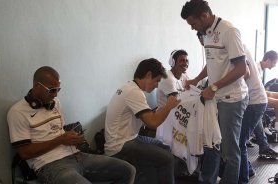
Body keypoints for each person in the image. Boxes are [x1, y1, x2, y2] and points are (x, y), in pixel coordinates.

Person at [7, 66, 135, 184]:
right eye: (52, 90)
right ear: (37, 86)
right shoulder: (18, 112)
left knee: (128, 170)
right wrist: (60, 140)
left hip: (76, 156)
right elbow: (24, 153)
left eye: (58, 90)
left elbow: (58, 133)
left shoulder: (55, 103)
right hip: (50, 165)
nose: (55, 95)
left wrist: (74, 140)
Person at [181, 1, 249, 184]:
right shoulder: (206, 34)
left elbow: (242, 69)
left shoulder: (229, 31)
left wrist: (213, 87)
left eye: (193, 24)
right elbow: (212, 63)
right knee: (212, 144)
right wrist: (196, 80)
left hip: (231, 99)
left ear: (204, 16)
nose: (192, 28)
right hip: (215, 98)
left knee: (229, 150)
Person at [104, 58, 180, 184]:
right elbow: (153, 123)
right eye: (157, 81)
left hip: (129, 138)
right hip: (120, 146)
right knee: (168, 159)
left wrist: (164, 109)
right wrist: (168, 106)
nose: (157, 85)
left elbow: (149, 118)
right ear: (148, 75)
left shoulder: (130, 87)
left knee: (164, 147)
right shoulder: (134, 92)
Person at [156, 49, 221, 184]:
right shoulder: (167, 78)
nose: (185, 63)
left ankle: (198, 171)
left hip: (181, 115)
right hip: (168, 118)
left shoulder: (184, 76)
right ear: (172, 62)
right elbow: (176, 101)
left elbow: (189, 96)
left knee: (204, 135)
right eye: (181, 60)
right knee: (202, 136)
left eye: (186, 60)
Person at [238, 45, 268, 184]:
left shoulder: (237, 49)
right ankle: (247, 170)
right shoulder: (242, 47)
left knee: (239, 142)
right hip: (255, 101)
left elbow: (245, 73)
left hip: (254, 102)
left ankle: (244, 176)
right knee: (239, 141)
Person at [251, 50, 278, 158]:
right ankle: (276, 129)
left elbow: (260, 90)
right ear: (268, 60)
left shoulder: (259, 68)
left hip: (258, 97)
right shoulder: (256, 69)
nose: (274, 65)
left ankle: (264, 146)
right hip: (254, 100)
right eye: (274, 63)